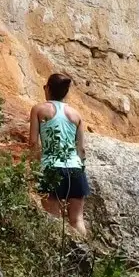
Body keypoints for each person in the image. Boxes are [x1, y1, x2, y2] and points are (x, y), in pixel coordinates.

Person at [29, 72, 89, 235]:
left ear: (47, 88)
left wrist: (32, 168)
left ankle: (57, 258)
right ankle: (82, 255)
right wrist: (81, 169)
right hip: (75, 170)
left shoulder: (39, 109)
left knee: (53, 220)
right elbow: (81, 149)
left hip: (51, 168)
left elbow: (33, 143)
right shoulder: (76, 115)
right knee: (77, 220)